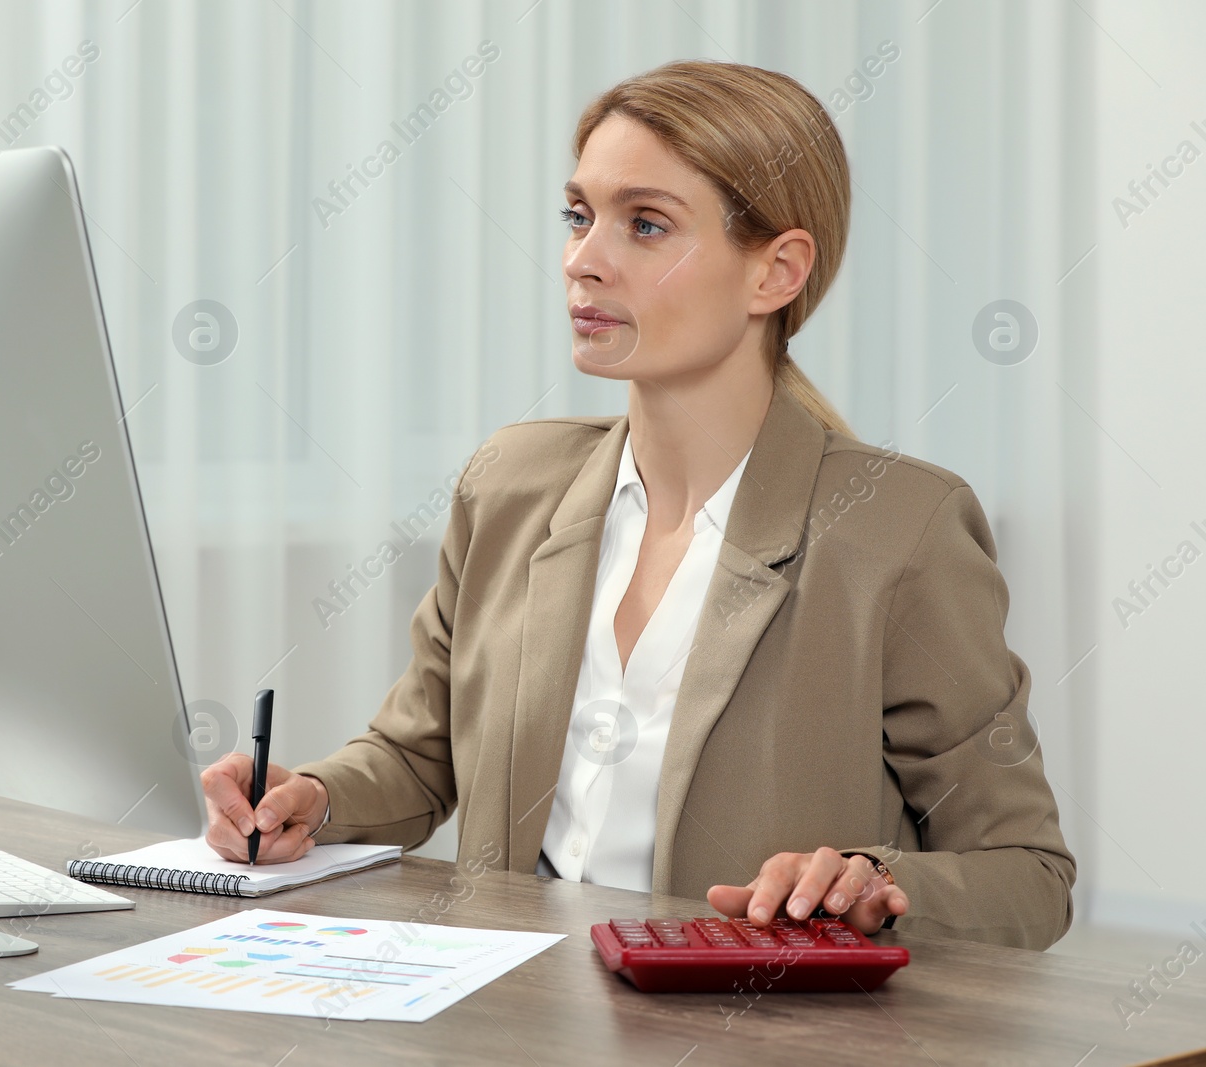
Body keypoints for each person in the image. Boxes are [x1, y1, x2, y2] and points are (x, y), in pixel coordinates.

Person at [201, 59, 1075, 950]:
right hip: (509, 1023)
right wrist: (313, 796)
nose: (584, 260)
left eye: (645, 225)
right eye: (578, 216)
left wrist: (877, 881)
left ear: (776, 272)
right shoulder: (508, 482)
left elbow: (1029, 875)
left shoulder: (900, 530)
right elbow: (422, 753)